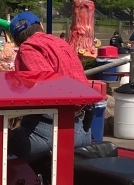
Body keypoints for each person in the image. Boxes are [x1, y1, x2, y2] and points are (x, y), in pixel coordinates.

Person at [8, 11, 92, 164]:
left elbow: (48, 84)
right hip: (81, 127)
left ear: (15, 40)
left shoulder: (27, 48)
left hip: (52, 130)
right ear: (40, 25)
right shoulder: (61, 43)